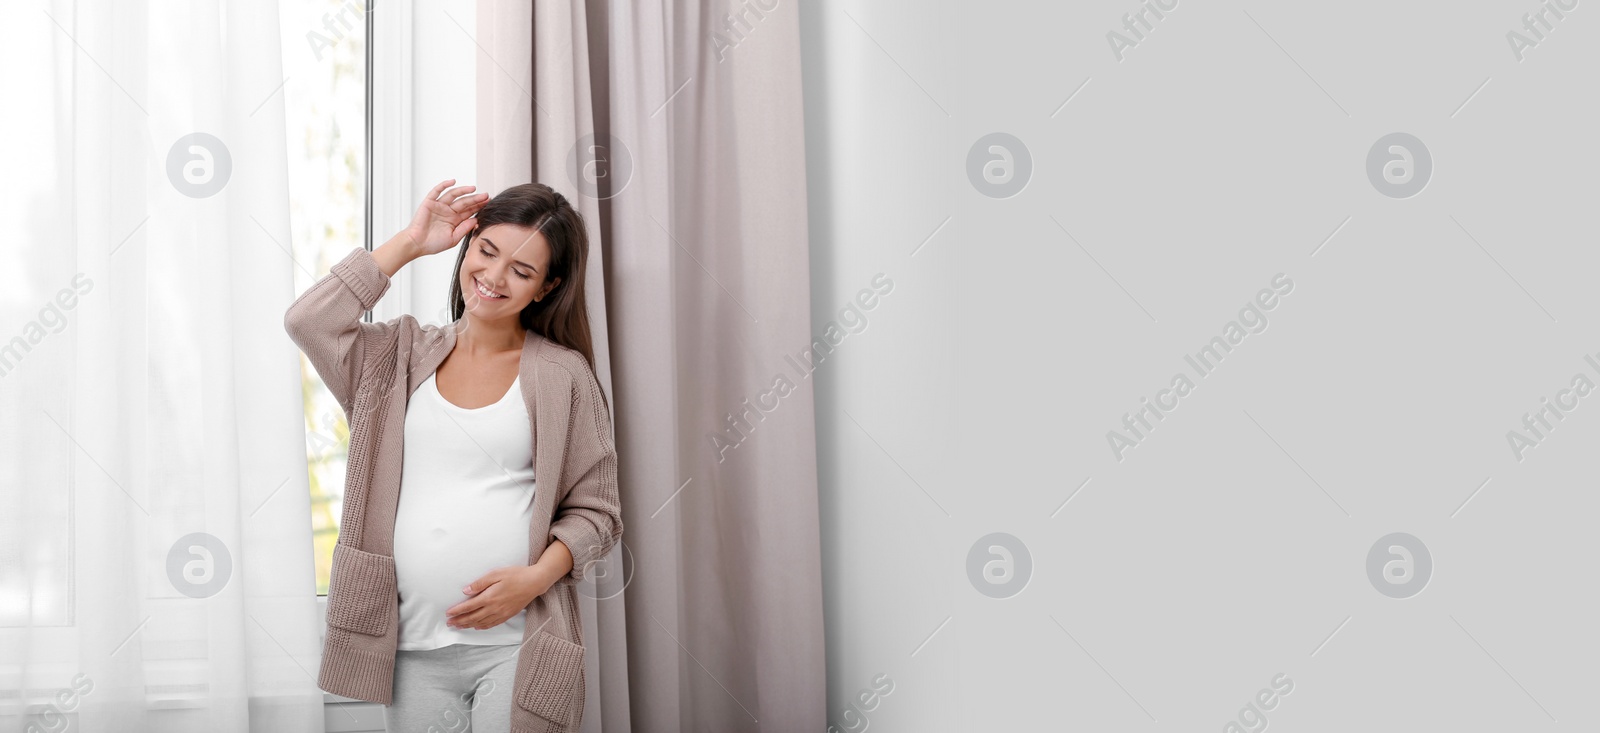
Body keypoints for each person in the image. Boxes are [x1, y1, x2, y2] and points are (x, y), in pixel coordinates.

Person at [285, 179, 622, 733]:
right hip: (412, 648)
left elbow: (598, 513)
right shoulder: (393, 357)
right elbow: (308, 321)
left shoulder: (563, 376)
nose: (492, 278)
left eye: (521, 270)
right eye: (486, 252)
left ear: (546, 287)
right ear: (467, 247)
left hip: (519, 644)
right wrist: (412, 241)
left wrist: (537, 578)